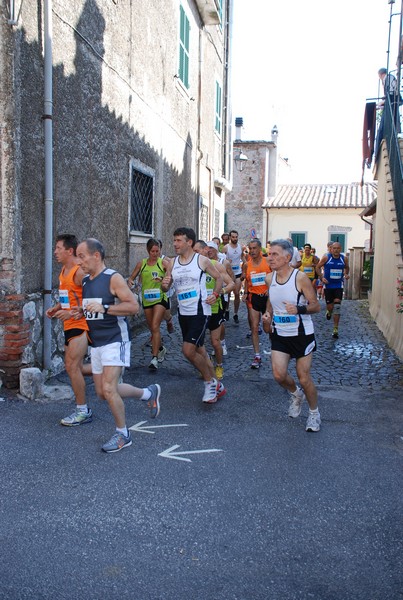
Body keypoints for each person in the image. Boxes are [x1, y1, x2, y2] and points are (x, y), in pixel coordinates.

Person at [73, 238, 161, 453]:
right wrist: (79, 311)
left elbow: (133, 306)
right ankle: (148, 394)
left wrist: (104, 308)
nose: (78, 261)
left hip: (115, 340)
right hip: (97, 343)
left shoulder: (113, 278)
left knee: (110, 388)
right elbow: (92, 308)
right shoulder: (86, 281)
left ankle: (123, 434)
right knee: (103, 393)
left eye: (81, 256)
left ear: (96, 256)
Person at [262, 239, 321, 432]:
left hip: (302, 334)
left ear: (287, 258)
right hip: (280, 333)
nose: (270, 258)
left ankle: (314, 414)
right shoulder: (269, 279)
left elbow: (316, 306)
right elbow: (271, 299)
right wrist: (268, 314)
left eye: (275, 254)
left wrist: (298, 309)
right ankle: (297, 395)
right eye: (269, 254)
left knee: (304, 377)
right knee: (279, 375)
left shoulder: (300, 278)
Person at [161, 227, 226, 404]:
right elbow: (166, 287)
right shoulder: (172, 263)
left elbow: (219, 278)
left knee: (188, 351)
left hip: (200, 311)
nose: (175, 244)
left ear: (189, 242)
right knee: (201, 351)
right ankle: (218, 385)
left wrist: (215, 294)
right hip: (183, 313)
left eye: (179, 240)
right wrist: (165, 285)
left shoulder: (202, 260)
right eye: (174, 240)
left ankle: (209, 383)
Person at [46, 234, 93, 426]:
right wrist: (58, 307)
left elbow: (93, 299)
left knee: (72, 367)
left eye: (58, 248)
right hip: (69, 324)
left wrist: (75, 314)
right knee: (74, 367)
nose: (55, 252)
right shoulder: (63, 271)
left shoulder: (79, 272)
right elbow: (69, 296)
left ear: (69, 251)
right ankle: (108, 370)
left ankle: (83, 410)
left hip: (81, 325)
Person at [194, 240, 235, 380]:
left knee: (215, 342)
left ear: (205, 250)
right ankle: (205, 366)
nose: (195, 255)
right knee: (198, 342)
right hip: (198, 310)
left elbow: (231, 284)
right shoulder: (192, 267)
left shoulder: (216, 265)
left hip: (215, 308)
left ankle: (219, 366)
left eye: (197, 251)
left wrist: (219, 292)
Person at [127, 238, 171, 370]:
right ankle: (161, 348)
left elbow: (170, 279)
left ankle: (154, 359)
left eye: (157, 251)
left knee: (155, 325)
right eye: (153, 251)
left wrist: (163, 279)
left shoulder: (163, 263)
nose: (155, 253)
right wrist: (132, 283)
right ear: (148, 251)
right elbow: (131, 278)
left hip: (160, 298)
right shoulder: (142, 264)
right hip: (147, 299)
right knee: (152, 328)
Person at [242, 238, 271, 368]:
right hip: (254, 297)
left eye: (254, 248)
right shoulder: (247, 264)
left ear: (260, 249)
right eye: (250, 248)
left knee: (267, 328)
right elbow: (248, 280)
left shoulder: (268, 262)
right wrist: (246, 293)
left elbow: (275, 278)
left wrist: (270, 289)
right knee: (254, 327)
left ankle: (276, 350)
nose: (252, 251)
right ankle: (257, 356)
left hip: (267, 299)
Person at [206, 240, 235, 356]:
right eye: (207, 248)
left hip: (220, 298)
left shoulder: (223, 262)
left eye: (211, 248)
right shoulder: (202, 263)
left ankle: (221, 343)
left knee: (219, 323)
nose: (209, 251)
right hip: (206, 299)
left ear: (216, 250)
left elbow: (231, 279)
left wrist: (222, 291)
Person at [315, 241, 349, 339]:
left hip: (338, 285)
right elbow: (317, 267)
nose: (336, 250)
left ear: (340, 249)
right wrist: (321, 277)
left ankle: (335, 329)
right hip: (328, 286)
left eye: (338, 248)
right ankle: (329, 312)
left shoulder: (344, 259)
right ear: (331, 249)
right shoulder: (327, 257)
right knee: (330, 307)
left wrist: (346, 274)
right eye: (334, 248)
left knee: (337, 306)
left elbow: (347, 267)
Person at [223, 229, 243, 323]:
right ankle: (227, 310)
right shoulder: (226, 248)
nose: (235, 239)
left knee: (237, 293)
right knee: (227, 293)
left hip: (238, 272)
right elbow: (222, 259)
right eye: (233, 237)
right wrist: (227, 261)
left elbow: (243, 258)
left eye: (236, 237)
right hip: (228, 273)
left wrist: (246, 267)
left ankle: (235, 313)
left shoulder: (240, 247)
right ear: (230, 237)